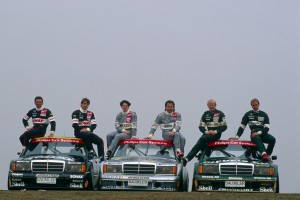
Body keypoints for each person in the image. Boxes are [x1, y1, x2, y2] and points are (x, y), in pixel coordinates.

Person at [182, 99, 227, 166]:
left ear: (215, 105)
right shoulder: (205, 114)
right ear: (207, 105)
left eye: (212, 105)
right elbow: (201, 126)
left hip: (216, 135)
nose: (211, 106)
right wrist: (206, 131)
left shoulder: (220, 114)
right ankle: (202, 156)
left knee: (201, 140)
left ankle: (187, 159)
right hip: (207, 134)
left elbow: (224, 126)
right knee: (203, 144)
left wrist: (215, 131)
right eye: (209, 105)